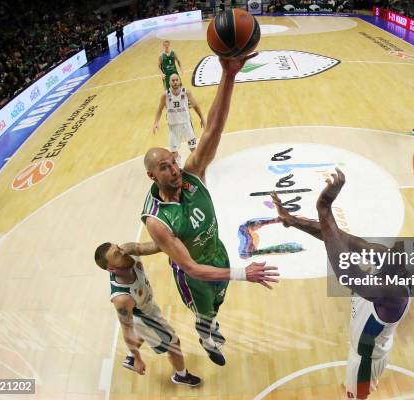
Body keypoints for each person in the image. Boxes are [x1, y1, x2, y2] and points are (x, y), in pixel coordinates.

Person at [141, 53, 279, 367]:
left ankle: (212, 322)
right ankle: (207, 337)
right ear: (152, 176)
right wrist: (244, 274)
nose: (174, 169)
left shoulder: (192, 172)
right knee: (205, 315)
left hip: (218, 254)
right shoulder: (157, 220)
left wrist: (229, 75)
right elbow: (190, 268)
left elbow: (214, 130)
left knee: (218, 305)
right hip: (195, 275)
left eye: (173, 162)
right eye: (165, 167)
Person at [271, 169, 414, 400]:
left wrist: (324, 207)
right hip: (362, 349)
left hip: (365, 362)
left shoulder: (394, 295)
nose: (386, 253)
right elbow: (337, 236)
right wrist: (293, 220)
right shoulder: (387, 261)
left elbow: (346, 273)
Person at [94, 241, 201, 386]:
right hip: (145, 318)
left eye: (118, 247)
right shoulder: (122, 298)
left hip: (146, 304)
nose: (123, 251)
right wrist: (139, 359)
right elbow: (127, 330)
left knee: (145, 335)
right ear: (111, 268)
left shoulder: (128, 252)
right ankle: (181, 376)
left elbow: (154, 245)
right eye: (117, 254)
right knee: (174, 344)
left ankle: (131, 357)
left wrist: (172, 242)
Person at [153, 73, 205, 164]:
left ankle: (198, 165)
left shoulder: (186, 92)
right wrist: (156, 123)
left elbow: (195, 105)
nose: (175, 82)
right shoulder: (165, 95)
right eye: (173, 80)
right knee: (173, 151)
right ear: (169, 83)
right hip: (173, 127)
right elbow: (159, 110)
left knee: (193, 148)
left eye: (177, 80)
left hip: (186, 124)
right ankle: (179, 167)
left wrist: (202, 118)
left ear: (180, 81)